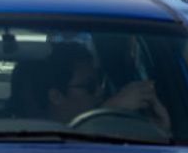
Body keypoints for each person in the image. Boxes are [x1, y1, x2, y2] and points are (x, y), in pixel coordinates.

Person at [38, 41, 169, 128]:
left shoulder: (117, 132)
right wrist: (110, 110)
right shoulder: (31, 139)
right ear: (56, 96)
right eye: (90, 86)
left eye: (101, 82)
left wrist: (157, 131)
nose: (100, 91)